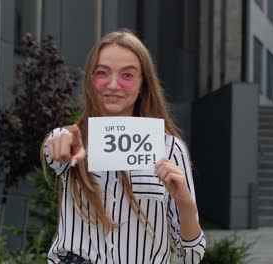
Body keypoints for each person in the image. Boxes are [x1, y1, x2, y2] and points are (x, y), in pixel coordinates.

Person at [41, 29, 206, 264]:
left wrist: (185, 202)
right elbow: (53, 150)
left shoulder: (170, 148)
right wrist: (59, 140)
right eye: (102, 73)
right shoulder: (75, 142)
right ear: (90, 80)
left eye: (127, 75)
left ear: (143, 85)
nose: (113, 84)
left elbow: (191, 256)